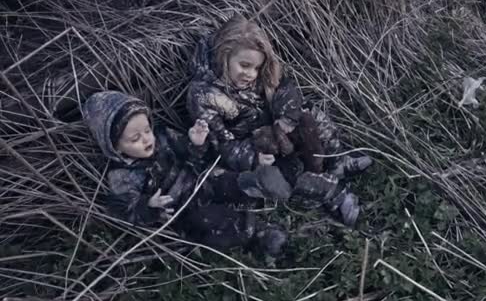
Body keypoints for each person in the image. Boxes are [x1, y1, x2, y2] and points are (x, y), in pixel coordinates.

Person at [187, 14, 372, 226]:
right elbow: (221, 145)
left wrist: (286, 117)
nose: (251, 74)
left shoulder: (261, 74)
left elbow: (285, 88)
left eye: (256, 68)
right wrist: (255, 157)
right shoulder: (203, 95)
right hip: (251, 147)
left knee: (309, 116)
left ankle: (337, 160)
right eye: (244, 65)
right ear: (224, 55)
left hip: (276, 130)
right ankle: (330, 192)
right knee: (280, 175)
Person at [83, 90, 291, 255]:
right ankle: (257, 233)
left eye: (147, 131)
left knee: (225, 181)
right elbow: (124, 209)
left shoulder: (164, 137)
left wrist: (196, 143)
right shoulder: (121, 175)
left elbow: (194, 158)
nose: (147, 139)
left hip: (201, 179)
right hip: (183, 207)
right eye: (135, 139)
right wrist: (148, 205)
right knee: (211, 219)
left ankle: (253, 183)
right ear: (115, 146)